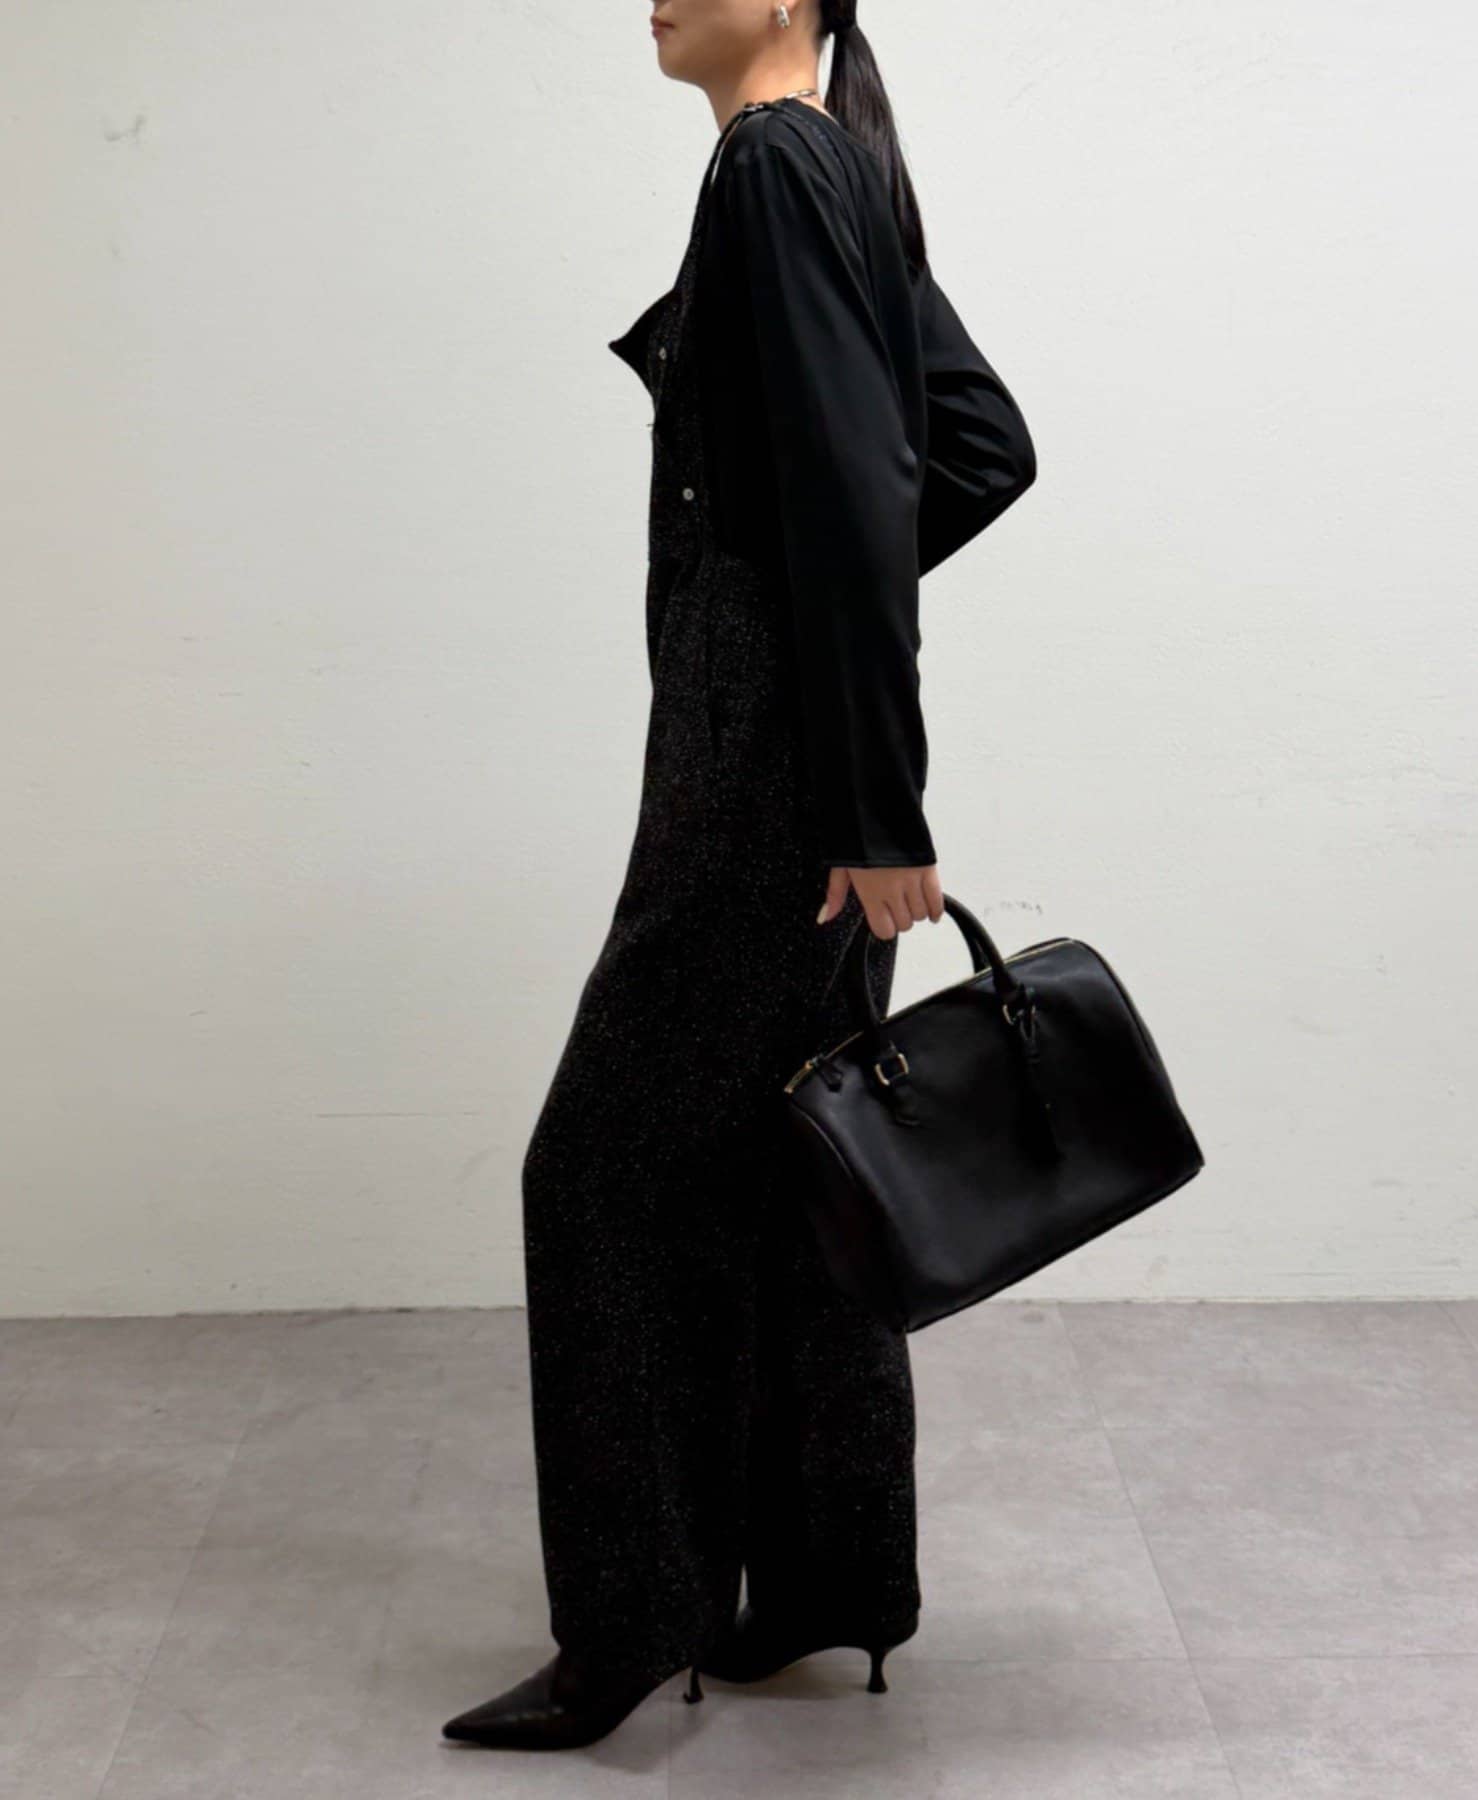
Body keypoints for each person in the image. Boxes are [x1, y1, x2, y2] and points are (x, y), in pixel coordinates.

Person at [442, 0, 1035, 1753]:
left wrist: (869, 796)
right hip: (806, 768)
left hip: (765, 776)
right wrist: (832, 693)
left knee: (600, 1173)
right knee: (795, 1165)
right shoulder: (832, 162)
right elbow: (975, 444)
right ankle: (821, 1578)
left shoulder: (776, 169)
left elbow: (864, 489)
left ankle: (627, 1625)